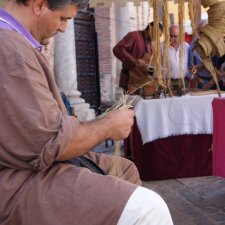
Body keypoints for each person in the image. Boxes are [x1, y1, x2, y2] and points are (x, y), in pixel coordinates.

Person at [0, 1, 173, 225]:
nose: (63, 28)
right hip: (15, 182)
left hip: (32, 167)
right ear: (39, 5)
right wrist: (108, 126)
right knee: (148, 209)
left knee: (124, 169)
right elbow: (50, 144)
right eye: (63, 19)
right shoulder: (9, 47)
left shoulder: (14, 42)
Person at [113, 22, 163, 92]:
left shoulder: (152, 43)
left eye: (159, 36)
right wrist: (134, 60)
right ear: (150, 30)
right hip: (130, 81)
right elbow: (117, 49)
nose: (157, 38)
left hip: (144, 81)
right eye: (157, 35)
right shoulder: (133, 36)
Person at [188, 19, 212, 89]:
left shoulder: (215, 44)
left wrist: (202, 65)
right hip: (201, 81)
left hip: (217, 81)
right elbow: (190, 68)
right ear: (199, 31)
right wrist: (197, 78)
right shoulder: (193, 45)